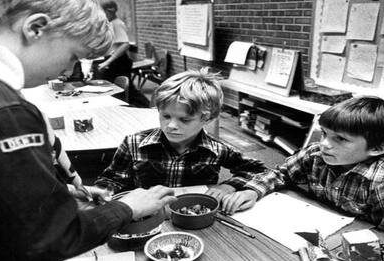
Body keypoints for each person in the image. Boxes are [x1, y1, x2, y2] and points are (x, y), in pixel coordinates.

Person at [0, 0, 176, 261]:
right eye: (73, 56)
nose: (67, 71)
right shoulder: (9, 112)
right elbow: (50, 239)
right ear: (36, 28)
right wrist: (126, 207)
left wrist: (60, 192)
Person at [221, 96, 384, 243]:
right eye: (324, 134)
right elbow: (281, 173)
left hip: (346, 243)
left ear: (378, 148)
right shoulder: (315, 154)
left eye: (340, 138)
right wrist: (252, 190)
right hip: (312, 230)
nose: (324, 144)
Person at [94, 68, 270, 205]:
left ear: (206, 118)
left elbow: (259, 170)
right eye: (166, 116)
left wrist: (229, 185)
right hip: (148, 217)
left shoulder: (217, 150)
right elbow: (113, 179)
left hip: (194, 217)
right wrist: (103, 193)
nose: (171, 126)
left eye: (184, 119)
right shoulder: (133, 143)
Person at [95, 0, 149, 107]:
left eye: (102, 12)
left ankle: (147, 105)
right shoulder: (110, 24)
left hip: (118, 61)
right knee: (113, 87)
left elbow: (125, 45)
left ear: (110, 11)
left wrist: (108, 62)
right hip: (113, 60)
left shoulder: (117, 24)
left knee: (125, 87)